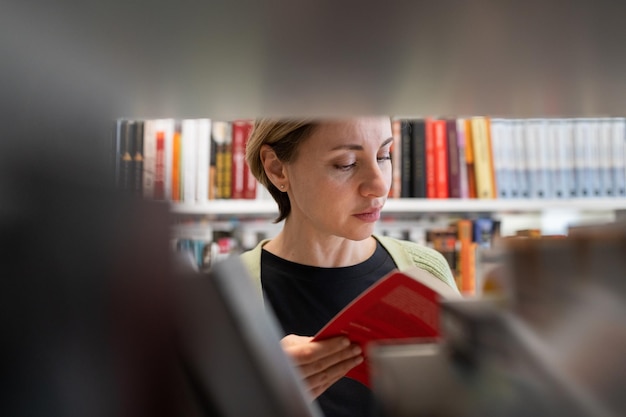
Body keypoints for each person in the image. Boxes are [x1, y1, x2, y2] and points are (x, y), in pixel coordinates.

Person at [240, 116, 459, 417]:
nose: (379, 185)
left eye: (384, 156)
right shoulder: (229, 295)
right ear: (277, 168)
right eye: (346, 163)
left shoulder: (427, 270)